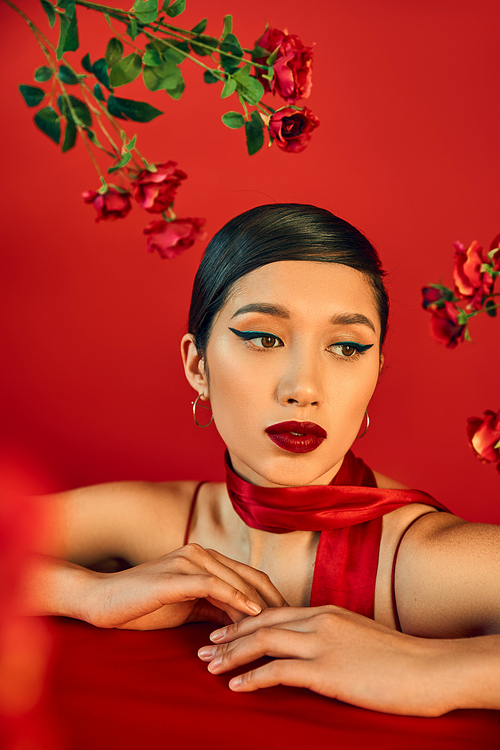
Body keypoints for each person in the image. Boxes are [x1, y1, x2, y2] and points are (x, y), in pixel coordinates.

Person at [27, 204, 500, 718]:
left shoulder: (425, 559)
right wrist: (89, 595)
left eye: (346, 347)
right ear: (197, 365)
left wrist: (432, 668)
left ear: (376, 374)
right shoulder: (152, 520)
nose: (303, 388)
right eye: (263, 338)